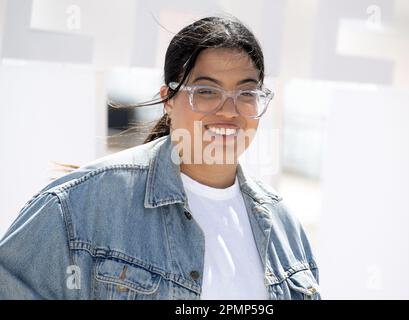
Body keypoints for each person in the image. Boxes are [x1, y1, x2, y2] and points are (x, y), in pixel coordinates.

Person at [0, 15, 320, 300]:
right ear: (168, 99)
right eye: (206, 91)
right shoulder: (79, 205)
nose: (228, 110)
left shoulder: (284, 227)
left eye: (246, 93)